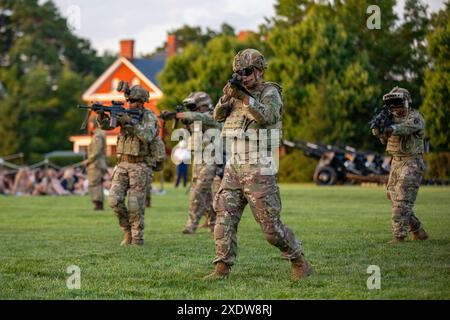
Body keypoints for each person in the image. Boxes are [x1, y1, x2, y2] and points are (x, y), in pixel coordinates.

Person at [204, 49, 314, 281]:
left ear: (260, 71)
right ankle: (222, 267)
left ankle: (299, 261)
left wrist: (245, 97)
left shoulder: (269, 92)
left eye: (247, 72)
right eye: (238, 72)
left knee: (270, 228)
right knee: (223, 218)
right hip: (234, 165)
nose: (242, 76)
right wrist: (227, 97)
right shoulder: (235, 93)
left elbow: (269, 116)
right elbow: (217, 115)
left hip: (258, 165)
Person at [98, 85, 159, 246]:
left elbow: (147, 135)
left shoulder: (149, 116)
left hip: (140, 165)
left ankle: (137, 238)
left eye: (136, 100)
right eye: (130, 100)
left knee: (135, 205)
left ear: (143, 102)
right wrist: (101, 116)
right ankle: (126, 230)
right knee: (113, 200)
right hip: (122, 163)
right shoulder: (124, 113)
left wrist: (130, 123)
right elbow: (107, 126)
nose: (132, 103)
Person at [372, 87, 429, 244]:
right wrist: (380, 131)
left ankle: (399, 236)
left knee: (402, 201)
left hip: (412, 162)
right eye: (392, 105)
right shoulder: (390, 117)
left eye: (398, 104)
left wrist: (391, 128)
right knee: (393, 196)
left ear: (407, 102)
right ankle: (417, 230)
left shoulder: (415, 117)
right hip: (396, 161)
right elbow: (384, 140)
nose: (395, 108)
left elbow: (406, 128)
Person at [163, 92, 221, 234]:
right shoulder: (196, 119)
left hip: (211, 158)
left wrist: (180, 115)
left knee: (198, 191)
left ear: (203, 106)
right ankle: (213, 223)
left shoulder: (212, 115)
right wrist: (181, 120)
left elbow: (199, 117)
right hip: (198, 158)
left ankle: (191, 225)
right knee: (207, 194)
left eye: (194, 107)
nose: (192, 110)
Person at [84, 118, 107, 210]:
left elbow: (96, 151)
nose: (89, 126)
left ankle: (97, 204)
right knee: (97, 184)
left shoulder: (97, 136)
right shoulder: (99, 135)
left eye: (90, 124)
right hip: (97, 163)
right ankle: (98, 204)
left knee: (94, 183)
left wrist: (88, 160)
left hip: (95, 164)